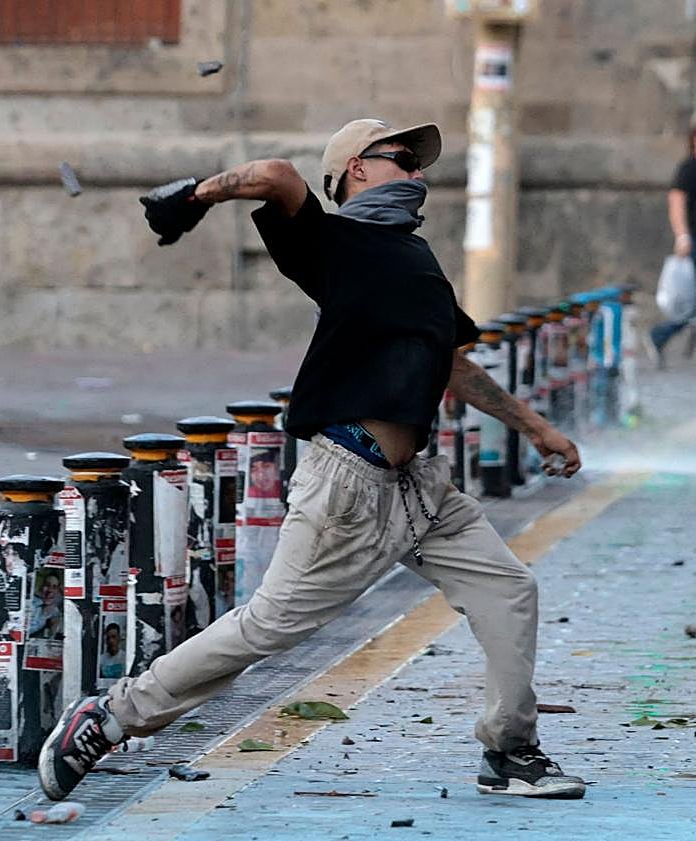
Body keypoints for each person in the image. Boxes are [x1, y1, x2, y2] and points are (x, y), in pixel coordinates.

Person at [39, 118, 586, 801]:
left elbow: (451, 361)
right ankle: (112, 714)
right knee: (269, 624)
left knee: (508, 589)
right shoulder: (334, 243)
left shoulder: (414, 259)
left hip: (418, 486)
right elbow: (275, 175)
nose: (417, 172)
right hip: (348, 483)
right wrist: (195, 196)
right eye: (401, 159)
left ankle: (511, 752)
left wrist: (536, 429)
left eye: (419, 163)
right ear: (356, 168)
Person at [649, 120, 696, 366]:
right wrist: (682, 236)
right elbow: (676, 204)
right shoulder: (689, 168)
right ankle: (659, 335)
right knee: (690, 303)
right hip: (693, 242)